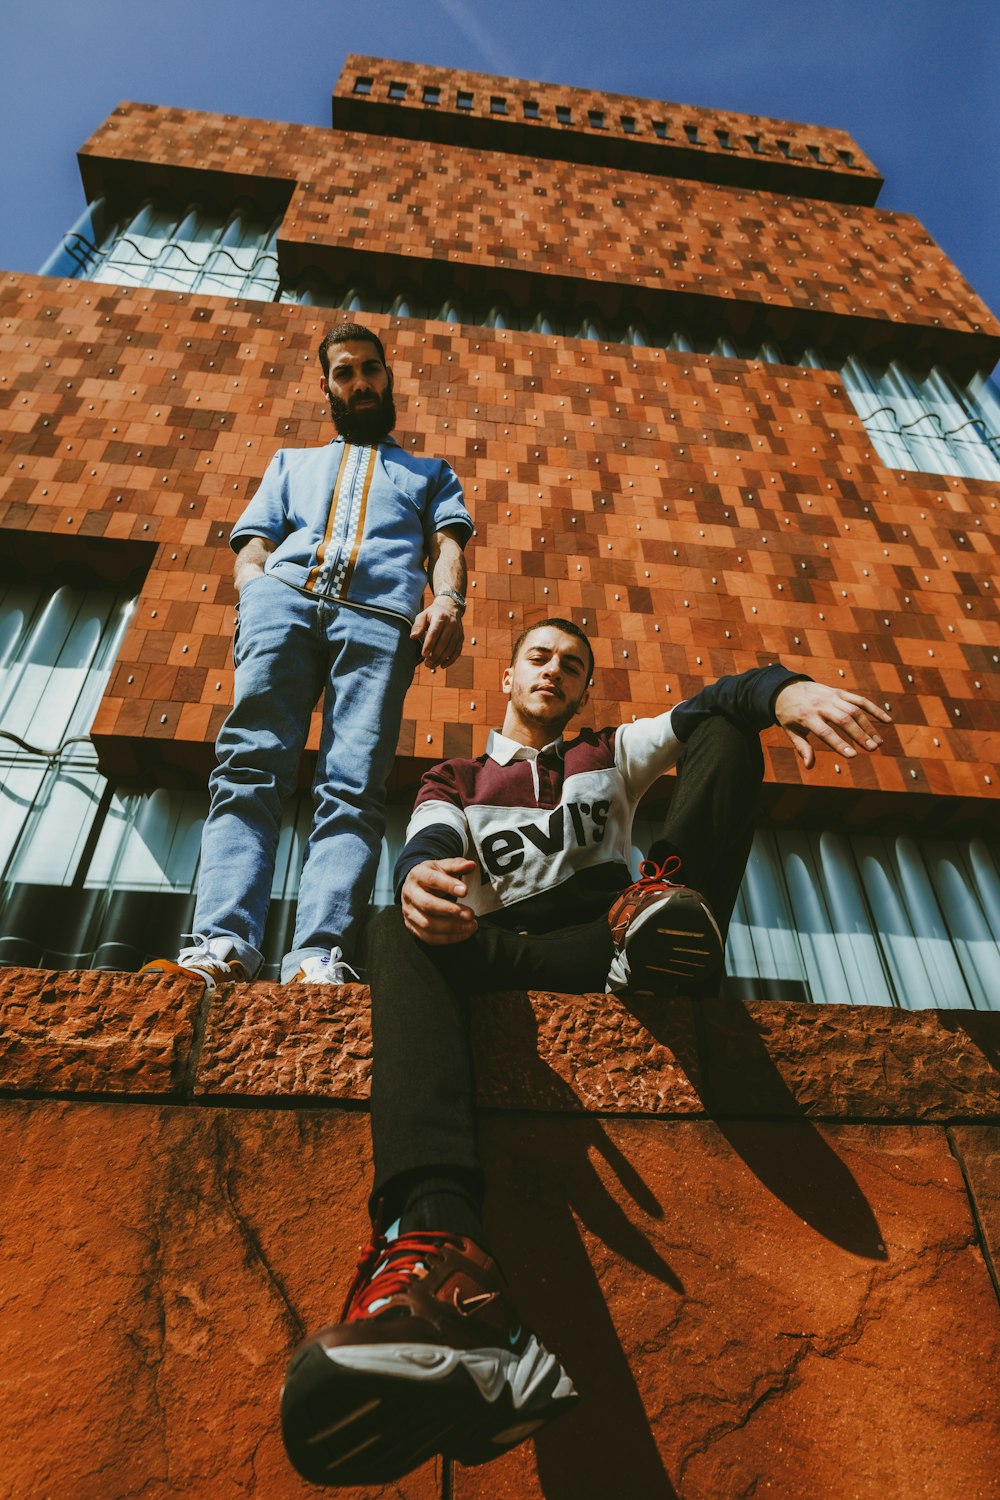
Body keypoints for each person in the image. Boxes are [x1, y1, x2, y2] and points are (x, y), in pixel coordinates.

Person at [279, 617, 891, 1487]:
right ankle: (445, 1262)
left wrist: (781, 691)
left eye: (572, 664)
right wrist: (421, 882)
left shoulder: (611, 751)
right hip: (498, 954)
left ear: (581, 688)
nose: (555, 671)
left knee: (724, 731)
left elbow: (714, 705)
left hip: (608, 944)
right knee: (393, 929)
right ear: (509, 674)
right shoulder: (453, 776)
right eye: (539, 656)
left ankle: (668, 917)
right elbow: (431, 844)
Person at [143, 323, 473, 988]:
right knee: (249, 765)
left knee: (352, 788)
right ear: (326, 385)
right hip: (284, 607)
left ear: (387, 377)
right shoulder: (290, 464)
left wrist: (448, 603)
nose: (359, 383)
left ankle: (318, 957)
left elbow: (450, 545)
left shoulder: (432, 473)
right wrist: (256, 594)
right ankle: (221, 944)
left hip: (381, 625)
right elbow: (253, 542)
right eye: (345, 373)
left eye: (369, 370)